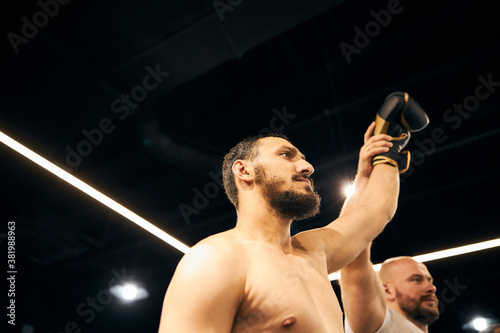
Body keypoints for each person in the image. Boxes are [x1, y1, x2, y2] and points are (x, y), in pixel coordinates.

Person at [157, 120, 401, 332]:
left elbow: (375, 211)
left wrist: (384, 157)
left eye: (303, 160)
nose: (308, 167)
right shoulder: (216, 257)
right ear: (244, 170)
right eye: (286, 155)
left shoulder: (314, 251)